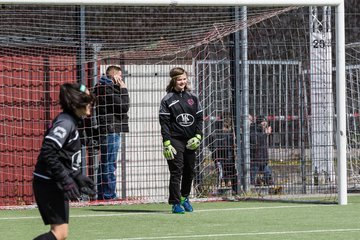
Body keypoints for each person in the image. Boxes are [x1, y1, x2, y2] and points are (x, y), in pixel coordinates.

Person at [32, 83, 96, 240]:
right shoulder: (65, 123)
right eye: (87, 99)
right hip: (48, 182)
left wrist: (75, 175)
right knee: (59, 233)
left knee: (61, 234)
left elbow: (62, 156)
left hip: (53, 181)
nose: (91, 103)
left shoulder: (72, 122)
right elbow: (48, 151)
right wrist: (66, 179)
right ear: (76, 103)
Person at [159, 67, 203, 214]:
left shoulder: (193, 98)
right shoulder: (167, 99)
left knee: (190, 171)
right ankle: (175, 203)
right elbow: (164, 123)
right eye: (179, 79)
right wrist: (167, 143)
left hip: (191, 140)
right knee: (176, 171)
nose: (182, 82)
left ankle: (185, 198)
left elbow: (199, 119)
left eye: (184, 79)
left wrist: (198, 136)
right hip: (175, 140)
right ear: (173, 81)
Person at [94, 65, 130, 200]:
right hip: (111, 129)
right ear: (114, 76)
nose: (121, 79)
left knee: (105, 162)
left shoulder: (103, 87)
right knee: (109, 163)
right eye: (120, 76)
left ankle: (102, 194)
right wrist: (124, 89)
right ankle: (109, 195)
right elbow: (124, 106)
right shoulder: (107, 88)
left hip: (109, 129)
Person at [209, 112, 237, 193]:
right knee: (223, 172)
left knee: (226, 171)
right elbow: (211, 142)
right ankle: (221, 187)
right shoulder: (218, 131)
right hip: (222, 155)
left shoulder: (231, 132)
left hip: (225, 156)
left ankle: (229, 186)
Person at [250, 115, 273, 186]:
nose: (265, 124)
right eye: (264, 122)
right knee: (252, 178)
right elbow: (256, 142)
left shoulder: (262, 131)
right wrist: (265, 134)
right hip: (255, 159)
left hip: (263, 159)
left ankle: (268, 183)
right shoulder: (253, 130)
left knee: (268, 175)